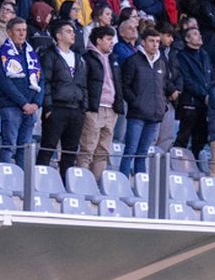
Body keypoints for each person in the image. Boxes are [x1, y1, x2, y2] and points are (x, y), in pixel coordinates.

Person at [36, 19, 86, 180]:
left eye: (73, 31)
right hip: (57, 108)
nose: (73, 34)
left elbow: (83, 84)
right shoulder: (50, 55)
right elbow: (46, 82)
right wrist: (49, 108)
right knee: (48, 148)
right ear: (58, 35)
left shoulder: (78, 58)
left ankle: (66, 185)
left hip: (76, 109)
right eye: (68, 31)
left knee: (70, 151)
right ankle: (39, 182)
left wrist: (83, 108)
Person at [119, 24, 171, 175]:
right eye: (151, 41)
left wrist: (162, 105)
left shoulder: (161, 63)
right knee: (130, 150)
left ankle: (140, 186)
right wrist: (135, 103)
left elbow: (163, 85)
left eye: (157, 41)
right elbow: (125, 86)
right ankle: (123, 184)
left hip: (155, 115)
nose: (155, 45)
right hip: (137, 114)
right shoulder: (133, 61)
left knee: (143, 153)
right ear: (143, 42)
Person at [0, 18, 42, 169]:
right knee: (9, 147)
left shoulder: (31, 54)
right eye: (18, 30)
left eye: (24, 30)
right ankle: (4, 181)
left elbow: (42, 79)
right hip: (11, 107)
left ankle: (23, 184)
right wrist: (24, 103)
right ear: (9, 32)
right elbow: (4, 82)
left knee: (25, 149)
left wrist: (36, 103)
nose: (22, 33)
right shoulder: (1, 54)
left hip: (30, 109)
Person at [76, 24, 123, 176]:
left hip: (111, 109)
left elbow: (118, 83)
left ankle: (96, 185)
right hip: (94, 109)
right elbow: (82, 84)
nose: (112, 43)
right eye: (109, 39)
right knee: (88, 149)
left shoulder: (113, 59)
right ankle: (80, 183)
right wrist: (87, 107)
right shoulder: (87, 58)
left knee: (103, 151)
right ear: (98, 40)